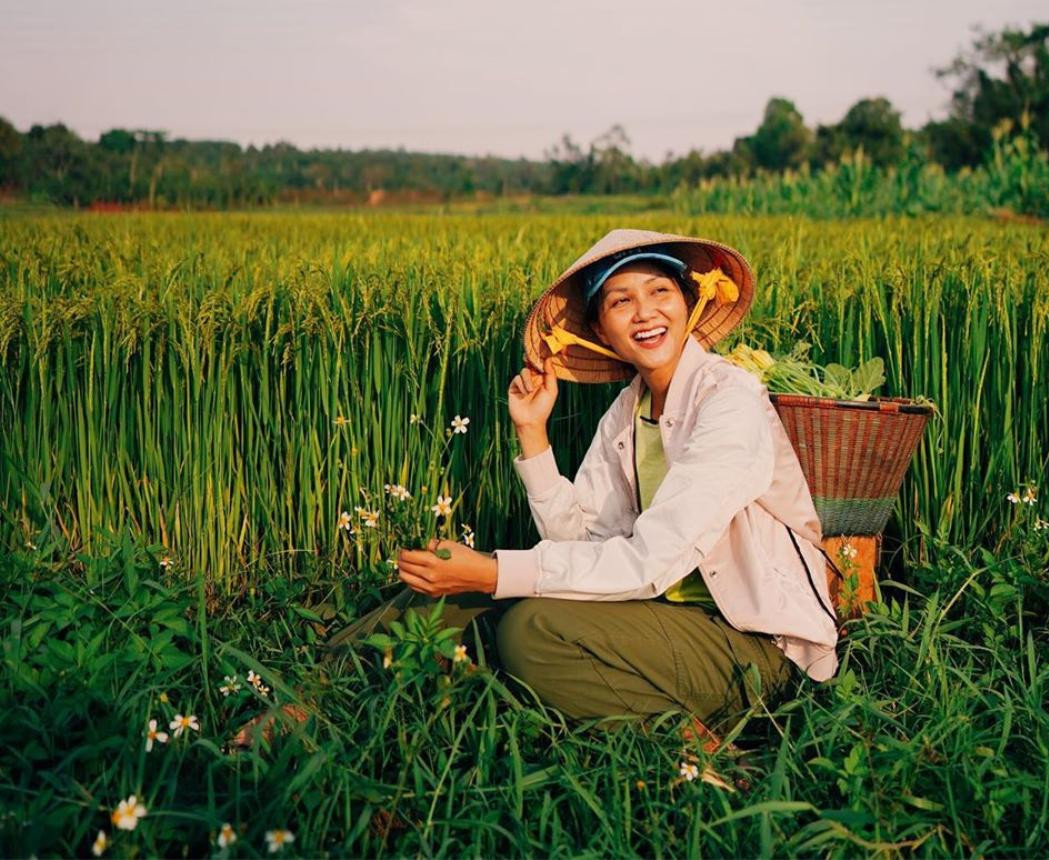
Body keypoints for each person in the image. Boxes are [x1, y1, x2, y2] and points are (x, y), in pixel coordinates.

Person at [235, 228, 838, 751]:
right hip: (660, 621)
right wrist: (532, 435)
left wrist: (494, 570)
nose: (645, 312)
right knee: (455, 601)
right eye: (620, 302)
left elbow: (652, 561)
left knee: (528, 630)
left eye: (660, 292)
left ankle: (681, 741)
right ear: (600, 328)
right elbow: (583, 540)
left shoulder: (729, 400)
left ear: (687, 302)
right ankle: (314, 700)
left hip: (751, 646)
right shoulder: (626, 414)